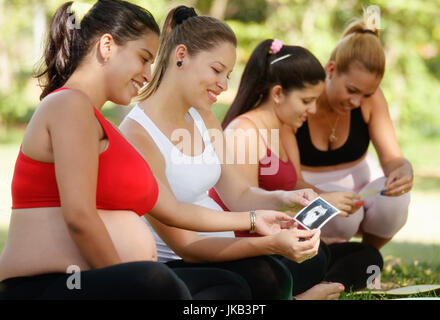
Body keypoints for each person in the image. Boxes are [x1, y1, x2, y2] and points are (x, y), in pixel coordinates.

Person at [0, 1, 290, 300]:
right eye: (143, 58)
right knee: (158, 282)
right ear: (107, 46)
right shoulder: (69, 105)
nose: (149, 74)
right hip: (46, 285)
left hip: (112, 278)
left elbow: (175, 211)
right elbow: (80, 218)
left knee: (231, 286)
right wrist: (124, 283)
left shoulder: (100, 123)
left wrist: (256, 220)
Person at [119, 6, 326, 300]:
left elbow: (238, 195)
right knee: (258, 282)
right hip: (180, 265)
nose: (224, 85)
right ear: (180, 56)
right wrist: (270, 243)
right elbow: (187, 246)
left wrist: (283, 198)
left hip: (224, 254)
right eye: (217, 70)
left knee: (296, 266)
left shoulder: (204, 116)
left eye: (228, 75)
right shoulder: (137, 134)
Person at [210, 38, 383, 294]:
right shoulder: (244, 133)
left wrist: (325, 200)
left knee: (369, 257)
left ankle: (323, 288)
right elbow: (247, 210)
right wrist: (320, 205)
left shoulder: (286, 129)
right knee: (313, 259)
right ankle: (313, 290)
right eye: (306, 101)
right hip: (253, 251)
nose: (312, 110)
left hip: (286, 243)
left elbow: (296, 184)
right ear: (278, 93)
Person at [282, 14, 413, 250]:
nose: (356, 101)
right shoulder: (301, 99)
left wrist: (403, 170)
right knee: (343, 215)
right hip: (307, 187)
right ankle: (324, 256)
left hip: (362, 185)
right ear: (331, 69)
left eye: (366, 94)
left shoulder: (370, 101)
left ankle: (366, 256)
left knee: (396, 201)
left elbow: (393, 160)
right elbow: (291, 180)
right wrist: (326, 195)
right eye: (351, 90)